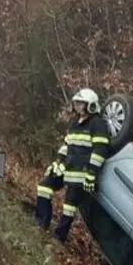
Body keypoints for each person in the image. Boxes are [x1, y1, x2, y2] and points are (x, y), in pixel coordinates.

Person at [34, 88, 111, 243]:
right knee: (44, 186)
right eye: (76, 102)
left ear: (90, 105)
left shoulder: (97, 125)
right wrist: (57, 162)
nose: (77, 106)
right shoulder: (75, 124)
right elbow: (66, 145)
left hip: (82, 174)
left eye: (81, 103)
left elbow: (99, 152)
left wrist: (90, 175)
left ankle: (59, 237)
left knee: (69, 206)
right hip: (67, 169)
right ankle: (41, 223)